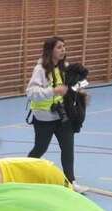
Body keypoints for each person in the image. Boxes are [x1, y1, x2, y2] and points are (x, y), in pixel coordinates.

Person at [26, 36, 87, 193]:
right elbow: (31, 92)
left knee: (68, 148)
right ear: (50, 50)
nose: (63, 50)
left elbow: (76, 84)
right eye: (59, 47)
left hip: (62, 115)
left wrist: (79, 90)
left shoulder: (64, 67)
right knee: (40, 148)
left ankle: (71, 182)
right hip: (44, 117)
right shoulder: (40, 70)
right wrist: (52, 91)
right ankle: (24, 171)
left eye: (64, 47)